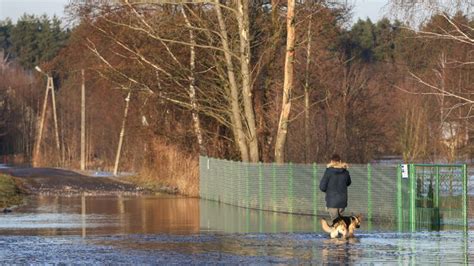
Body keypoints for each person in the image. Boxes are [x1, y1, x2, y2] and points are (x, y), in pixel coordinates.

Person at [319, 154, 351, 224]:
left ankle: (336, 234)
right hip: (342, 201)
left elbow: (322, 187)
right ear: (340, 161)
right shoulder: (345, 172)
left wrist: (328, 190)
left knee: (335, 222)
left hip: (332, 201)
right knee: (341, 222)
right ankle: (342, 234)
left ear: (331, 161)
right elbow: (348, 183)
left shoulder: (328, 172)